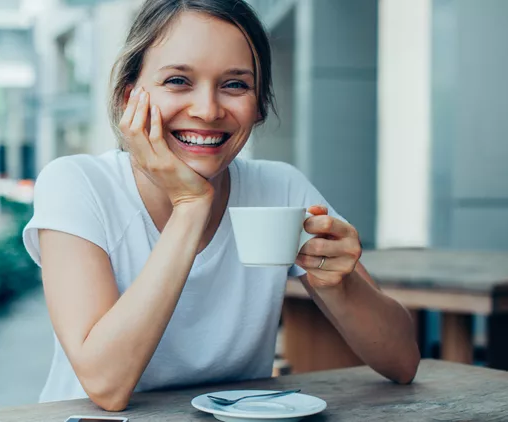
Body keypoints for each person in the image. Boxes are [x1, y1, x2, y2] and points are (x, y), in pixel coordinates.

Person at [22, 0, 420, 411]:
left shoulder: (280, 187)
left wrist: (336, 282)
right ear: (130, 98)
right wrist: (191, 204)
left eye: (235, 85)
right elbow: (105, 386)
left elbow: (403, 362)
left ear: (259, 105)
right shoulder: (78, 184)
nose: (208, 110)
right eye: (178, 80)